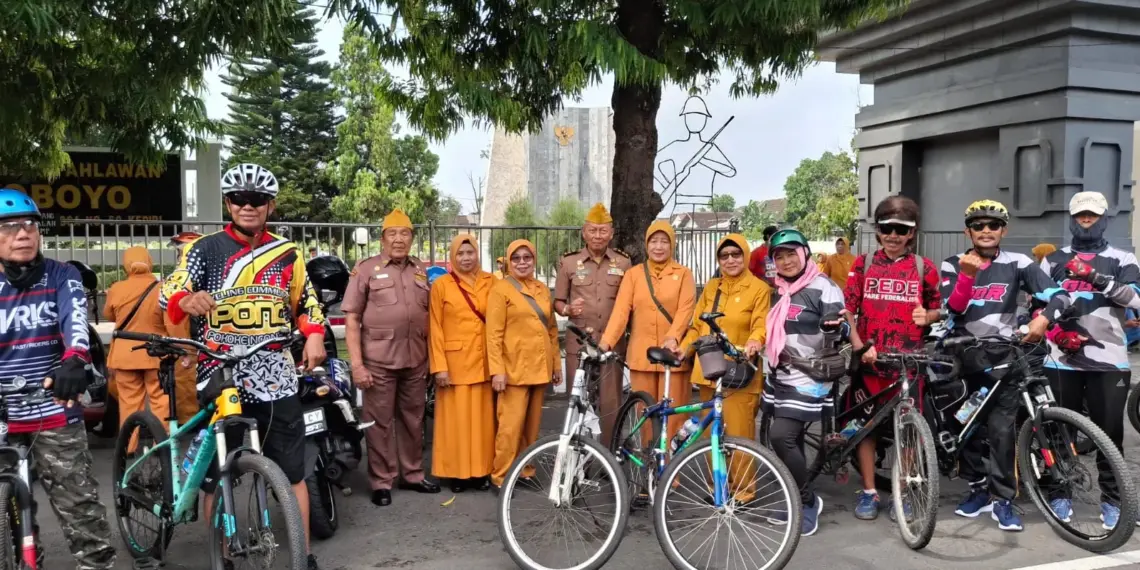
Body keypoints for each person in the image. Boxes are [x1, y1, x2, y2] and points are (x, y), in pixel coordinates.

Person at [160, 163, 327, 570]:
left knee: (293, 473)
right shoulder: (205, 249)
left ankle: (302, 557)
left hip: (275, 374)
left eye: (257, 200)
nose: (248, 206)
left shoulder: (288, 252)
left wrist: (317, 333)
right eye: (239, 199)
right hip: (220, 374)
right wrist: (187, 301)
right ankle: (226, 555)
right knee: (219, 475)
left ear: (270, 205)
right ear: (228, 203)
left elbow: (305, 301)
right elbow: (171, 289)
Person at [0, 188, 116, 569]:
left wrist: (74, 360)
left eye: (30, 225)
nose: (23, 234)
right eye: (10, 227)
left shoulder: (60, 275)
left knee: (83, 514)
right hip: (3, 418)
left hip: (52, 410)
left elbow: (75, 320)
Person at [940, 199, 1071, 533]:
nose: (986, 231)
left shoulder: (1020, 262)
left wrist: (1043, 319)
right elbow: (952, 309)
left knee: (1000, 432)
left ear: (1004, 230)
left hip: (1006, 358)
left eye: (993, 225)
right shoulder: (953, 263)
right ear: (968, 231)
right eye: (979, 225)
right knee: (964, 427)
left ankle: (1003, 499)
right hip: (966, 358)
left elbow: (1060, 296)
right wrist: (968, 276)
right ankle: (977, 489)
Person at [1039, 191, 1140, 528]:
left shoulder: (1123, 258)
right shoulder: (1052, 260)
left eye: (1092, 216)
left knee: (1109, 434)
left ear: (1104, 219)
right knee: (1058, 431)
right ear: (1071, 218)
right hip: (1059, 361)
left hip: (1109, 361)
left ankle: (1113, 500)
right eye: (1081, 215)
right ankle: (1060, 492)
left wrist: (1094, 277)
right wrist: (1055, 335)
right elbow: (1036, 307)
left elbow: (1136, 300)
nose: (1086, 220)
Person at [843, 196, 941, 521]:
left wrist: (929, 316)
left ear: (911, 233)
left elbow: (939, 310)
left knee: (910, 431)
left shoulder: (924, 268)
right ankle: (870, 491)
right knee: (867, 429)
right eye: (887, 228)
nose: (894, 235)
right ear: (878, 231)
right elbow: (848, 310)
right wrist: (859, 347)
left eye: (902, 229)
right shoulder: (863, 263)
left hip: (909, 365)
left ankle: (904, 490)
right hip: (871, 363)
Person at [341, 208, 440, 506]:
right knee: (379, 422)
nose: (399, 239)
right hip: (379, 362)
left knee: (414, 420)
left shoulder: (421, 269)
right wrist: (357, 365)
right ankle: (382, 481)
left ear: (412, 238)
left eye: (405, 233)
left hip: (416, 359)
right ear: (383, 238)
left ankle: (412, 474)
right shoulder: (367, 269)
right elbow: (351, 319)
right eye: (392, 234)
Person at [759, 227, 849, 537]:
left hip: (810, 374)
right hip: (780, 373)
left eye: (791, 254)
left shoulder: (824, 287)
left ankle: (808, 501)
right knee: (790, 439)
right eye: (779, 256)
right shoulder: (780, 289)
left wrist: (833, 326)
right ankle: (795, 497)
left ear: (805, 254)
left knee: (781, 435)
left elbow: (841, 326)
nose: (785, 261)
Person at [679, 233, 768, 496]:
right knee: (712, 435)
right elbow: (697, 325)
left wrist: (754, 342)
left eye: (736, 254)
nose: (730, 260)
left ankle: (743, 491)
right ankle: (718, 487)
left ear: (745, 256)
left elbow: (761, 324)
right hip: (709, 369)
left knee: (739, 435)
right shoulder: (711, 287)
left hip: (740, 371)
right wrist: (683, 350)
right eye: (724, 255)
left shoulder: (759, 289)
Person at [600, 221, 697, 443]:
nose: (659, 247)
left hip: (673, 357)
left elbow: (685, 310)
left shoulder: (683, 274)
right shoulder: (634, 274)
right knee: (645, 415)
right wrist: (605, 343)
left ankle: (673, 475)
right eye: (654, 241)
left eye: (664, 241)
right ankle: (649, 469)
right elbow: (621, 312)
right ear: (646, 245)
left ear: (672, 245)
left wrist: (672, 337)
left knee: (674, 418)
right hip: (641, 357)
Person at [485, 239, 561, 491]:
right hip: (513, 370)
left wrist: (556, 366)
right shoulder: (501, 289)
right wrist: (497, 371)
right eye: (515, 258)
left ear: (534, 260)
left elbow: (551, 330)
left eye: (526, 257)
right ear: (508, 261)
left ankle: (526, 470)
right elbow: (493, 334)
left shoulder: (541, 288)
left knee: (531, 428)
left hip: (540, 368)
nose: (521, 262)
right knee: (509, 428)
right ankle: (501, 476)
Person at [553, 203, 630, 442]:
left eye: (603, 230)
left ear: (611, 233)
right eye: (593, 230)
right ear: (584, 233)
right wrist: (566, 309)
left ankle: (609, 454)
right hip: (579, 343)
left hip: (611, 344)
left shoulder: (623, 263)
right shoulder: (568, 263)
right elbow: (557, 302)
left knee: (610, 401)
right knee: (577, 399)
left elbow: (629, 304)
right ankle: (577, 454)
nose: (598, 236)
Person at [429, 234, 496, 493]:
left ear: (477, 254)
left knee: (482, 423)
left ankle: (480, 472)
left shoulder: (492, 282)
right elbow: (435, 327)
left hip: (483, 361)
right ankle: (456, 474)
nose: (466, 258)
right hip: (454, 364)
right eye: (460, 254)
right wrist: (439, 366)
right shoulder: (442, 285)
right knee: (454, 423)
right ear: (452, 256)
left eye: (470, 253)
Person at [104, 246, 169, 447]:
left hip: (124, 355)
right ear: (149, 262)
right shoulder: (163, 288)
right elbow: (170, 319)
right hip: (156, 352)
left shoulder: (116, 288)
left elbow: (109, 315)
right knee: (161, 400)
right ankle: (161, 443)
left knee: (129, 403)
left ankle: (128, 446)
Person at [164, 231, 203, 425]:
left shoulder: (198, 275)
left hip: (196, 339)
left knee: (188, 380)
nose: (180, 257)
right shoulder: (180, 278)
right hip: (190, 338)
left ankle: (192, 421)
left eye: (182, 252)